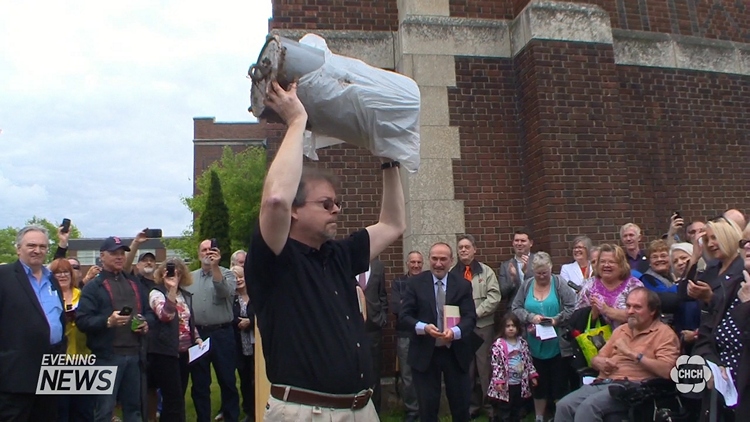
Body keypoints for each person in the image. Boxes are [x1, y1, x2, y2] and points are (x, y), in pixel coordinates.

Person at [246, 81, 406, 420]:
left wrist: (390, 162)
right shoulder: (274, 257)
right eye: (326, 203)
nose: (337, 210)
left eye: (338, 203)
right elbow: (275, 198)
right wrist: (295, 122)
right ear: (295, 209)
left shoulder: (338, 255)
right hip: (306, 412)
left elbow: (393, 225)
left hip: (360, 409)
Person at [554, 288, 680, 422]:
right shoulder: (621, 330)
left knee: (588, 408)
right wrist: (600, 362)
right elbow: (596, 359)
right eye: (628, 306)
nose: (630, 311)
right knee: (564, 406)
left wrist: (631, 353)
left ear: (652, 311)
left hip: (635, 388)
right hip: (605, 382)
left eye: (637, 307)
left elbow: (667, 371)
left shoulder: (664, 334)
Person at [76, 236, 154, 422]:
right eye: (114, 254)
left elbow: (149, 311)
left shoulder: (134, 283)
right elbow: (82, 320)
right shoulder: (94, 287)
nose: (119, 257)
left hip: (134, 354)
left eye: (122, 254)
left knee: (134, 409)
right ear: (102, 256)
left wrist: (146, 323)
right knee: (104, 410)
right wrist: (107, 322)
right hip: (106, 357)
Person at [399, 242, 477, 422]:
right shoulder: (415, 284)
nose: (438, 263)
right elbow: (404, 317)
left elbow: (470, 317)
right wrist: (423, 327)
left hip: (455, 352)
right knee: (427, 408)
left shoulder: (463, 285)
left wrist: (455, 332)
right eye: (434, 259)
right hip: (426, 353)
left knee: (461, 406)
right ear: (429, 260)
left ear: (451, 261)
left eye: (443, 259)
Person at [0, 226, 66, 421]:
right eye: (31, 245)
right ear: (18, 248)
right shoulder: (4, 277)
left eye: (42, 246)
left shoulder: (52, 280)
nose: (37, 250)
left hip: (50, 371)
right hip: (15, 376)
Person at [692, 221, 750, 420]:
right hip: (723, 394)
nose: (748, 246)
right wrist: (713, 366)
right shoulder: (734, 287)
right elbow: (707, 336)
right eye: (745, 242)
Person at [511, 252, 576, 422]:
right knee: (537, 381)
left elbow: (572, 306)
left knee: (559, 381)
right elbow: (516, 308)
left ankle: (559, 415)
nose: (541, 277)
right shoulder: (526, 285)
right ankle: (539, 416)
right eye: (538, 273)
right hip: (533, 342)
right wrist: (530, 318)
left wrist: (557, 319)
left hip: (557, 343)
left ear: (550, 269)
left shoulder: (559, 283)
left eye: (545, 273)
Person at [183, 239, 239, 422]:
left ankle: (231, 416)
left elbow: (224, 292)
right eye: (204, 250)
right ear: (199, 254)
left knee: (227, 379)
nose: (207, 253)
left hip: (222, 334)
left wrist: (215, 267)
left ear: (218, 253)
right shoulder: (189, 278)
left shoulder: (228, 274)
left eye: (211, 250)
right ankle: (203, 418)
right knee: (199, 382)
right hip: (198, 336)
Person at [449, 234, 500, 419]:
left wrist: (476, 313)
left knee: (485, 367)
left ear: (474, 249)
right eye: (460, 247)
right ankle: (471, 406)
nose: (463, 250)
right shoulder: (452, 274)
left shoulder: (485, 272)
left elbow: (494, 296)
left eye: (467, 247)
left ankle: (490, 407)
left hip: (482, 326)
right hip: (462, 329)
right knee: (466, 369)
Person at [148, 258, 202, 422]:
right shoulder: (156, 293)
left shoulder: (184, 295)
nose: (174, 275)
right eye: (170, 272)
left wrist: (197, 338)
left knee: (178, 396)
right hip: (165, 352)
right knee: (173, 398)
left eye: (177, 272)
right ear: (162, 274)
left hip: (185, 352)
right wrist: (171, 290)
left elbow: (187, 320)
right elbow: (166, 315)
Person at [49, 258, 94, 422]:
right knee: (60, 409)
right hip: (57, 360)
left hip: (84, 357)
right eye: (57, 272)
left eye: (65, 271)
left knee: (84, 409)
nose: (62, 275)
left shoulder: (83, 295)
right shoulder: (48, 297)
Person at [680, 217, 745, 326]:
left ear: (728, 237)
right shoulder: (712, 269)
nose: (710, 244)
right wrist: (694, 258)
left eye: (714, 238)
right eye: (706, 240)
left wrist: (710, 298)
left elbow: (737, 309)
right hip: (708, 334)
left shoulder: (743, 268)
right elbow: (684, 295)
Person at [390, 251, 424, 422]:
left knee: (426, 373)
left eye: (419, 262)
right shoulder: (399, 282)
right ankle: (412, 410)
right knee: (407, 375)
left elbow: (429, 307)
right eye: (413, 262)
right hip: (405, 335)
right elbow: (396, 307)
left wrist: (407, 304)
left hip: (425, 335)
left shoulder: (427, 282)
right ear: (407, 264)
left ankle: (425, 409)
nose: (416, 265)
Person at [576, 244, 644, 328]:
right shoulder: (589, 285)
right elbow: (577, 319)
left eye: (611, 262)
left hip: (630, 338)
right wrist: (594, 314)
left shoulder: (634, 285)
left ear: (621, 265)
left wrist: (606, 310)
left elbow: (641, 316)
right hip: (598, 339)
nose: (606, 265)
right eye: (602, 261)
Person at [487, 312, 538, 422]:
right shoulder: (499, 345)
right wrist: (499, 381)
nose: (511, 329)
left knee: (517, 408)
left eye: (513, 326)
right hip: (505, 385)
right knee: (505, 409)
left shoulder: (522, 343)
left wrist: (532, 375)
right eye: (508, 326)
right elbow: (496, 364)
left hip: (519, 383)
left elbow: (528, 361)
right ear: (503, 328)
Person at [358, 258, 388, 413]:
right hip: (353, 326)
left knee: (374, 371)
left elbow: (382, 294)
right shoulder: (349, 264)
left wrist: (382, 317)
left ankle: (376, 411)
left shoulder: (378, 267)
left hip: (373, 327)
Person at [231, 266, 255, 422]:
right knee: (245, 379)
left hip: (256, 345)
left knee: (256, 378)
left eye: (241, 276)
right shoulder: (231, 298)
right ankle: (248, 411)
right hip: (240, 345)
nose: (239, 280)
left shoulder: (256, 295)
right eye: (235, 278)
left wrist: (250, 322)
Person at [497, 230, 536, 325]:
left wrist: (526, 273)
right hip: (513, 314)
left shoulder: (538, 261)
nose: (519, 243)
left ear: (530, 243)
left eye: (523, 241)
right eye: (516, 240)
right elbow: (502, 293)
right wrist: (513, 279)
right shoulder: (506, 266)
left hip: (535, 310)